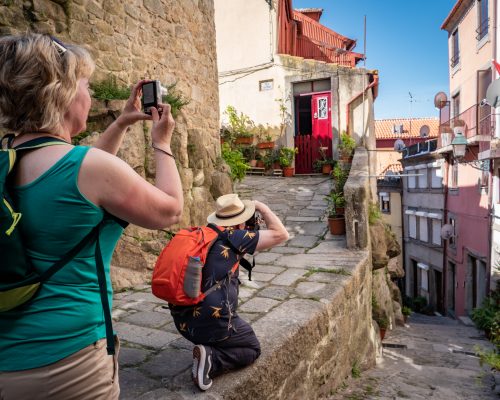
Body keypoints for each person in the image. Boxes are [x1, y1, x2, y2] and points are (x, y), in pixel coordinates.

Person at [0, 33, 183, 399]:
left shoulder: (7, 158)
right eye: (86, 84)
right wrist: (161, 144)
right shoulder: (89, 168)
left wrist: (120, 123)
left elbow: (80, 173)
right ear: (63, 93)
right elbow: (170, 209)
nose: (89, 94)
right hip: (68, 365)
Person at [170, 193, 289, 391]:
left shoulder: (205, 235)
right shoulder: (235, 237)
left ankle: (211, 344)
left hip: (184, 322)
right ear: (241, 222)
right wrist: (261, 206)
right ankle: (211, 360)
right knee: (251, 349)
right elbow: (281, 234)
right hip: (211, 324)